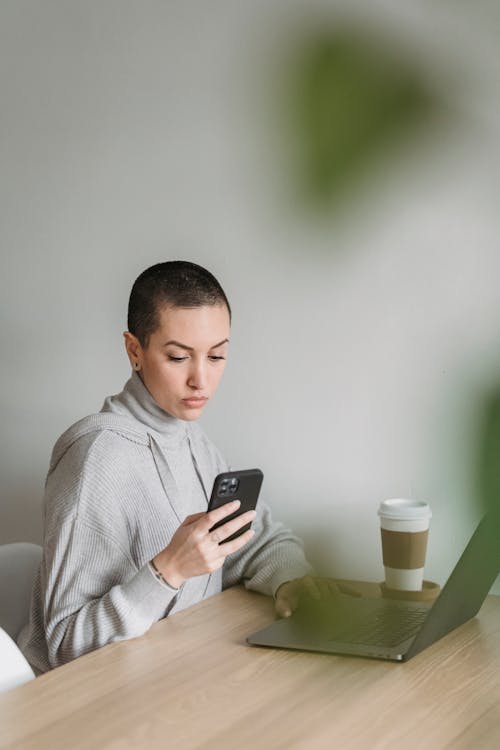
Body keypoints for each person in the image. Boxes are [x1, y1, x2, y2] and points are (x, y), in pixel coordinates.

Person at [18, 260, 328, 674]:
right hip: (82, 706)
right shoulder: (95, 458)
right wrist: (169, 571)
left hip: (169, 676)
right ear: (135, 351)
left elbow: (250, 540)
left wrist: (292, 580)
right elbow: (66, 645)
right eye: (179, 357)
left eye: (217, 355)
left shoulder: (192, 442)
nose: (201, 379)